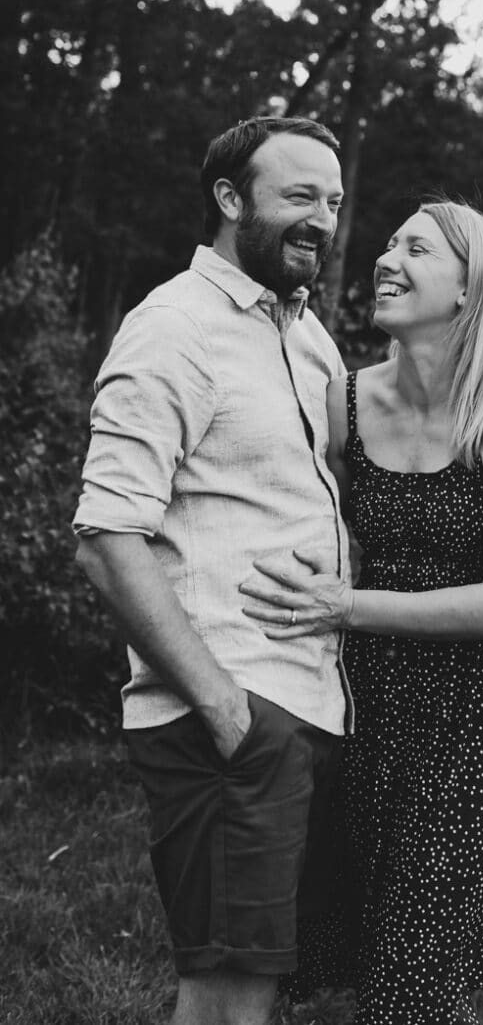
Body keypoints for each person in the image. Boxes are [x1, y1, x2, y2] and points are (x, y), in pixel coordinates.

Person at [240, 199, 483, 1025]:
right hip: (360, 705)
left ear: (468, 289)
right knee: (344, 952)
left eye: (415, 248)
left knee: (416, 979)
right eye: (387, 243)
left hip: (477, 716)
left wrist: (343, 605)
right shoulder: (343, 399)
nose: (387, 257)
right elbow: (329, 523)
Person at [72, 116, 351, 1025]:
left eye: (335, 202)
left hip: (307, 709)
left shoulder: (308, 340)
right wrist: (224, 705)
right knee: (226, 999)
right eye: (300, 196)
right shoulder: (173, 329)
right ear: (230, 201)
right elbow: (108, 536)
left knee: (257, 990)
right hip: (230, 716)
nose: (323, 220)